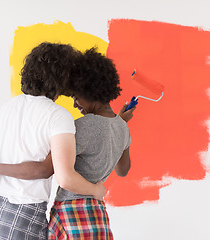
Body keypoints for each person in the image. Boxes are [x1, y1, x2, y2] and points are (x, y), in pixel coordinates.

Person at [0, 42, 107, 240]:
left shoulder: (7, 106)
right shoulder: (58, 116)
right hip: (22, 217)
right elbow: (64, 177)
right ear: (62, 77)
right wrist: (96, 190)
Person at [47, 47, 134, 240]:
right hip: (96, 211)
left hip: (71, 210)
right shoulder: (123, 128)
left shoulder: (82, 126)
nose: (75, 104)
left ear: (89, 90)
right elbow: (123, 170)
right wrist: (121, 124)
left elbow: (52, 163)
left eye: (76, 97)